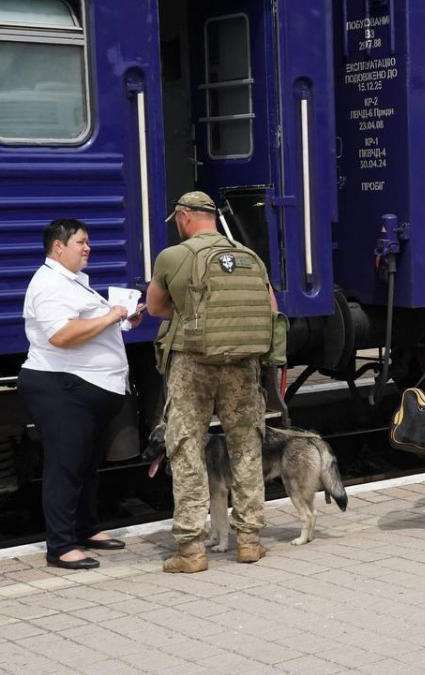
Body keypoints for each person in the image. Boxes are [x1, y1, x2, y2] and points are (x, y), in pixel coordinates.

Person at [147, 191, 276, 572]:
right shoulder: (249, 256)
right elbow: (270, 309)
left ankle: (191, 550)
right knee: (246, 447)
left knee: (186, 449)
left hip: (194, 364)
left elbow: (156, 308)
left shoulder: (173, 257)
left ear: (186, 217)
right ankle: (249, 541)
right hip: (243, 364)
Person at [19, 219, 143, 570]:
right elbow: (61, 335)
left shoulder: (73, 284)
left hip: (86, 390)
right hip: (61, 388)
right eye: (80, 242)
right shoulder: (49, 285)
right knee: (65, 466)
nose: (87, 248)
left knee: (86, 465)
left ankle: (85, 528)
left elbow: (89, 325)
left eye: (87, 243)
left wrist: (124, 318)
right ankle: (59, 546)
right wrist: (111, 316)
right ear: (58, 247)